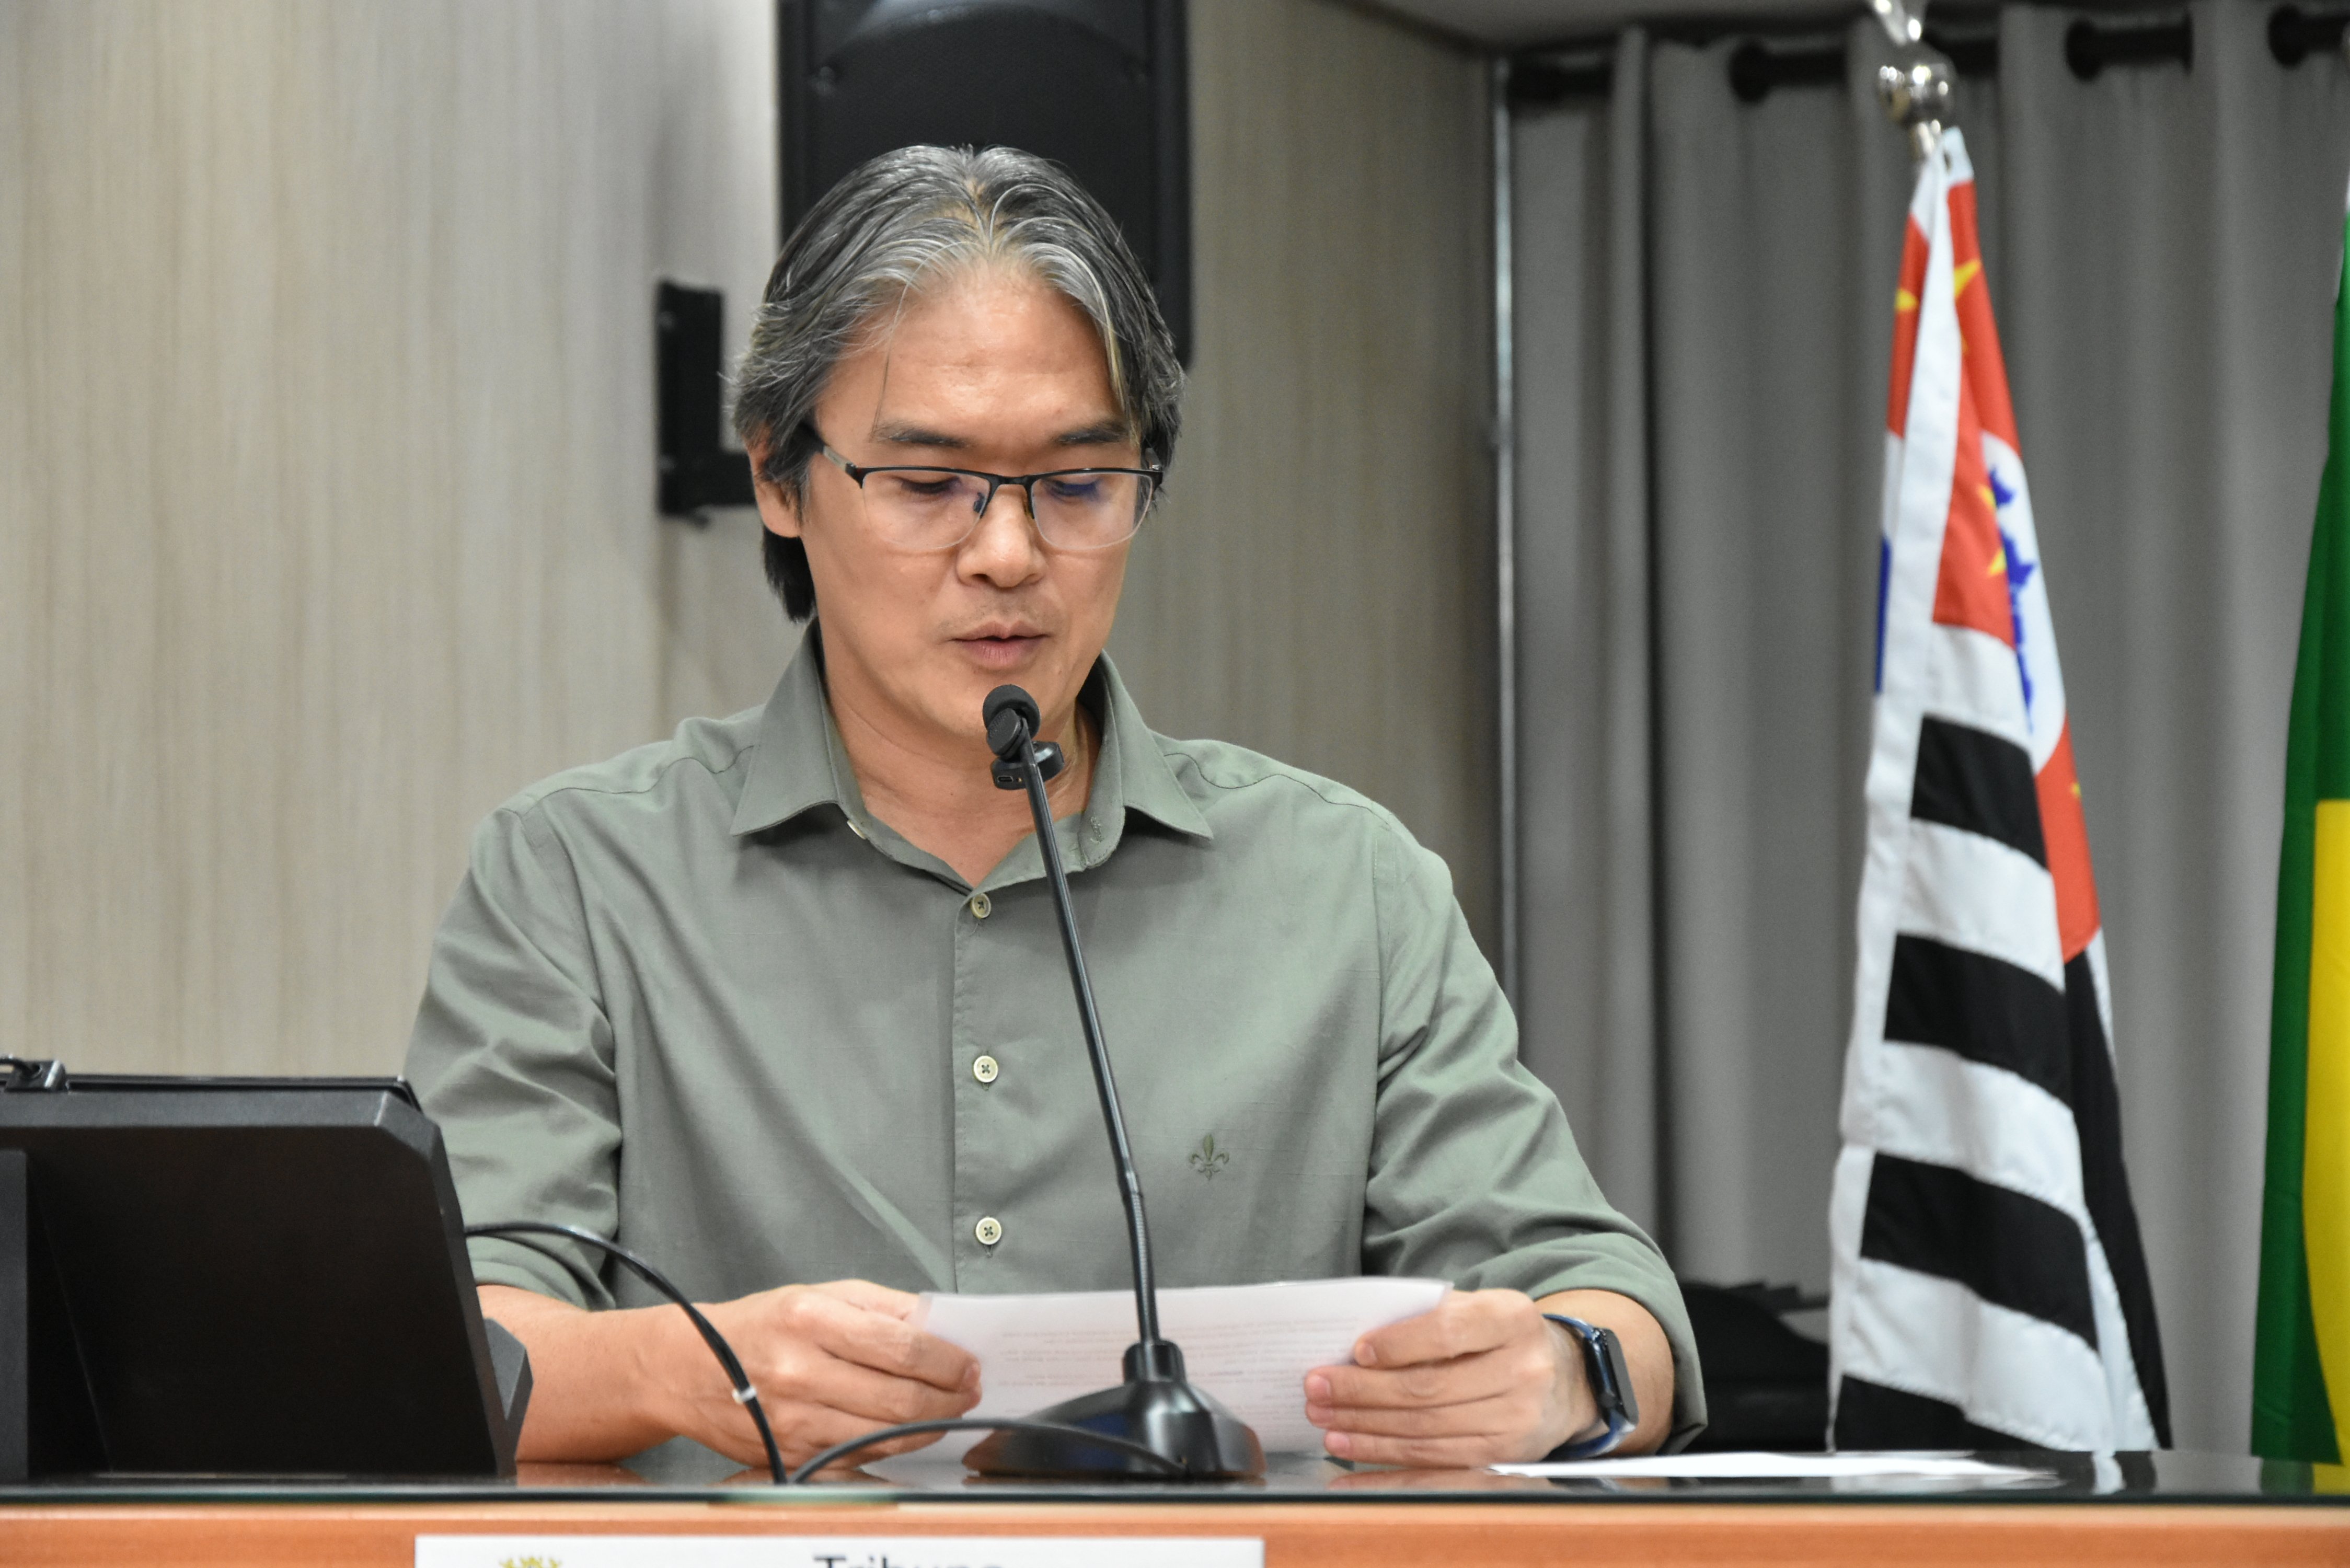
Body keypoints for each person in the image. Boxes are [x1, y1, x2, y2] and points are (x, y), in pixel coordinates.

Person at [406, 145, 1702, 1476]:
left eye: (1078, 486)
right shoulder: (578, 876)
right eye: (927, 485)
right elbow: (447, 1342)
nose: (1008, 554)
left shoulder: (1343, 887)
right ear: (779, 481)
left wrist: (1564, 1374)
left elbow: (1609, 1302)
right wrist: (685, 1371)